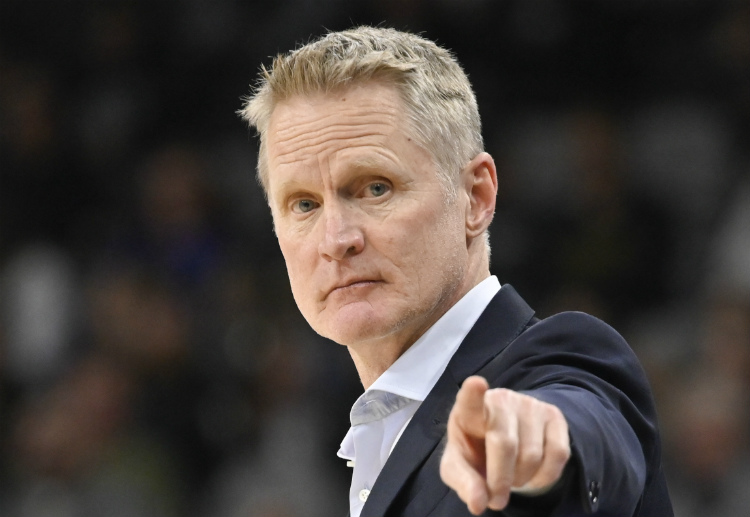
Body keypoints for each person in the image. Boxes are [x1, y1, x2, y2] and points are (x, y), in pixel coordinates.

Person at [239, 26, 673, 517]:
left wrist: (536, 445)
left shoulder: (557, 367)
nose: (336, 240)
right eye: (304, 204)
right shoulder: (364, 427)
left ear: (476, 197)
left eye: (375, 188)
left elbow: (579, 422)